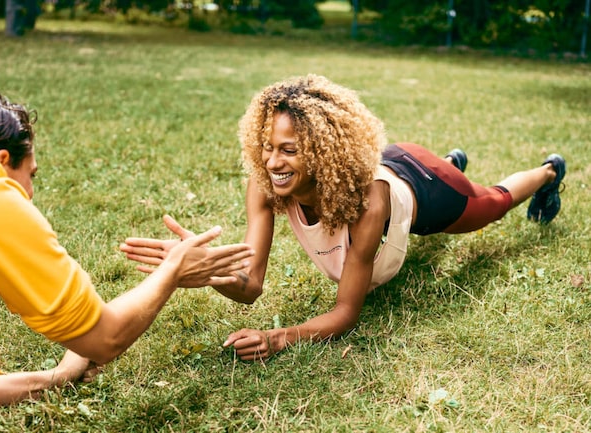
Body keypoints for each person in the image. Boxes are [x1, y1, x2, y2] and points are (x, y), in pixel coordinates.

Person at [120, 74, 566, 362]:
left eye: (289, 150)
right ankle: (452, 159)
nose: (273, 162)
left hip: (423, 186)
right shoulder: (264, 181)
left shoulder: (369, 203)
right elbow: (251, 286)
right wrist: (199, 270)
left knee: (490, 205)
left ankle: (546, 171)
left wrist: (279, 338)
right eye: (268, 148)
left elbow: (348, 311)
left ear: (323, 152)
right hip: (389, 171)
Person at [0, 86, 254, 410]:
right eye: (30, 175)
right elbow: (104, 338)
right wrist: (173, 269)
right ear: (2, 161)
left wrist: (53, 380)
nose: (30, 193)